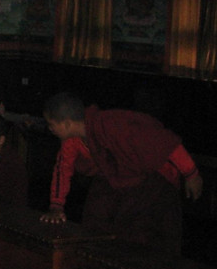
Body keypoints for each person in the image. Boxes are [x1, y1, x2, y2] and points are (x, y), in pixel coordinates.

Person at [39, 91, 203, 253]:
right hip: (117, 183)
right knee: (95, 222)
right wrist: (56, 206)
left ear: (67, 124)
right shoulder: (71, 141)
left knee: (147, 239)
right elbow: (63, 169)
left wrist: (191, 174)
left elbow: (163, 142)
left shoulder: (110, 123)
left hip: (153, 179)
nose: (50, 129)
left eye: (52, 124)